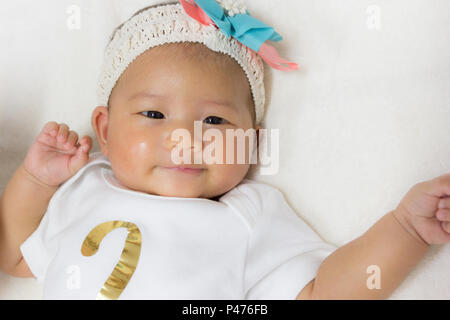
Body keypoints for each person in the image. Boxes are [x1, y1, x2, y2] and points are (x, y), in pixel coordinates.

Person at [0, 0, 449, 299]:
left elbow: (322, 294)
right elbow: (16, 258)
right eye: (154, 115)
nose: (187, 138)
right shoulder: (85, 186)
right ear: (105, 129)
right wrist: (36, 181)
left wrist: (405, 230)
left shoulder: (246, 215)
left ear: (250, 141)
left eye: (215, 121)